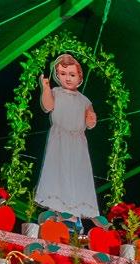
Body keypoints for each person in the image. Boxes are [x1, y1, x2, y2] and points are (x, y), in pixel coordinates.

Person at [35, 53, 99, 219]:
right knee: (57, 170)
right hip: (60, 138)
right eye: (63, 74)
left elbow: (90, 122)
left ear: (80, 77)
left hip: (77, 141)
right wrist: (46, 88)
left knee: (77, 173)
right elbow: (48, 106)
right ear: (57, 75)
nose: (68, 78)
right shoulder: (56, 92)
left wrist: (91, 120)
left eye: (72, 74)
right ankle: (56, 209)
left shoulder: (85, 101)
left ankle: (73, 213)